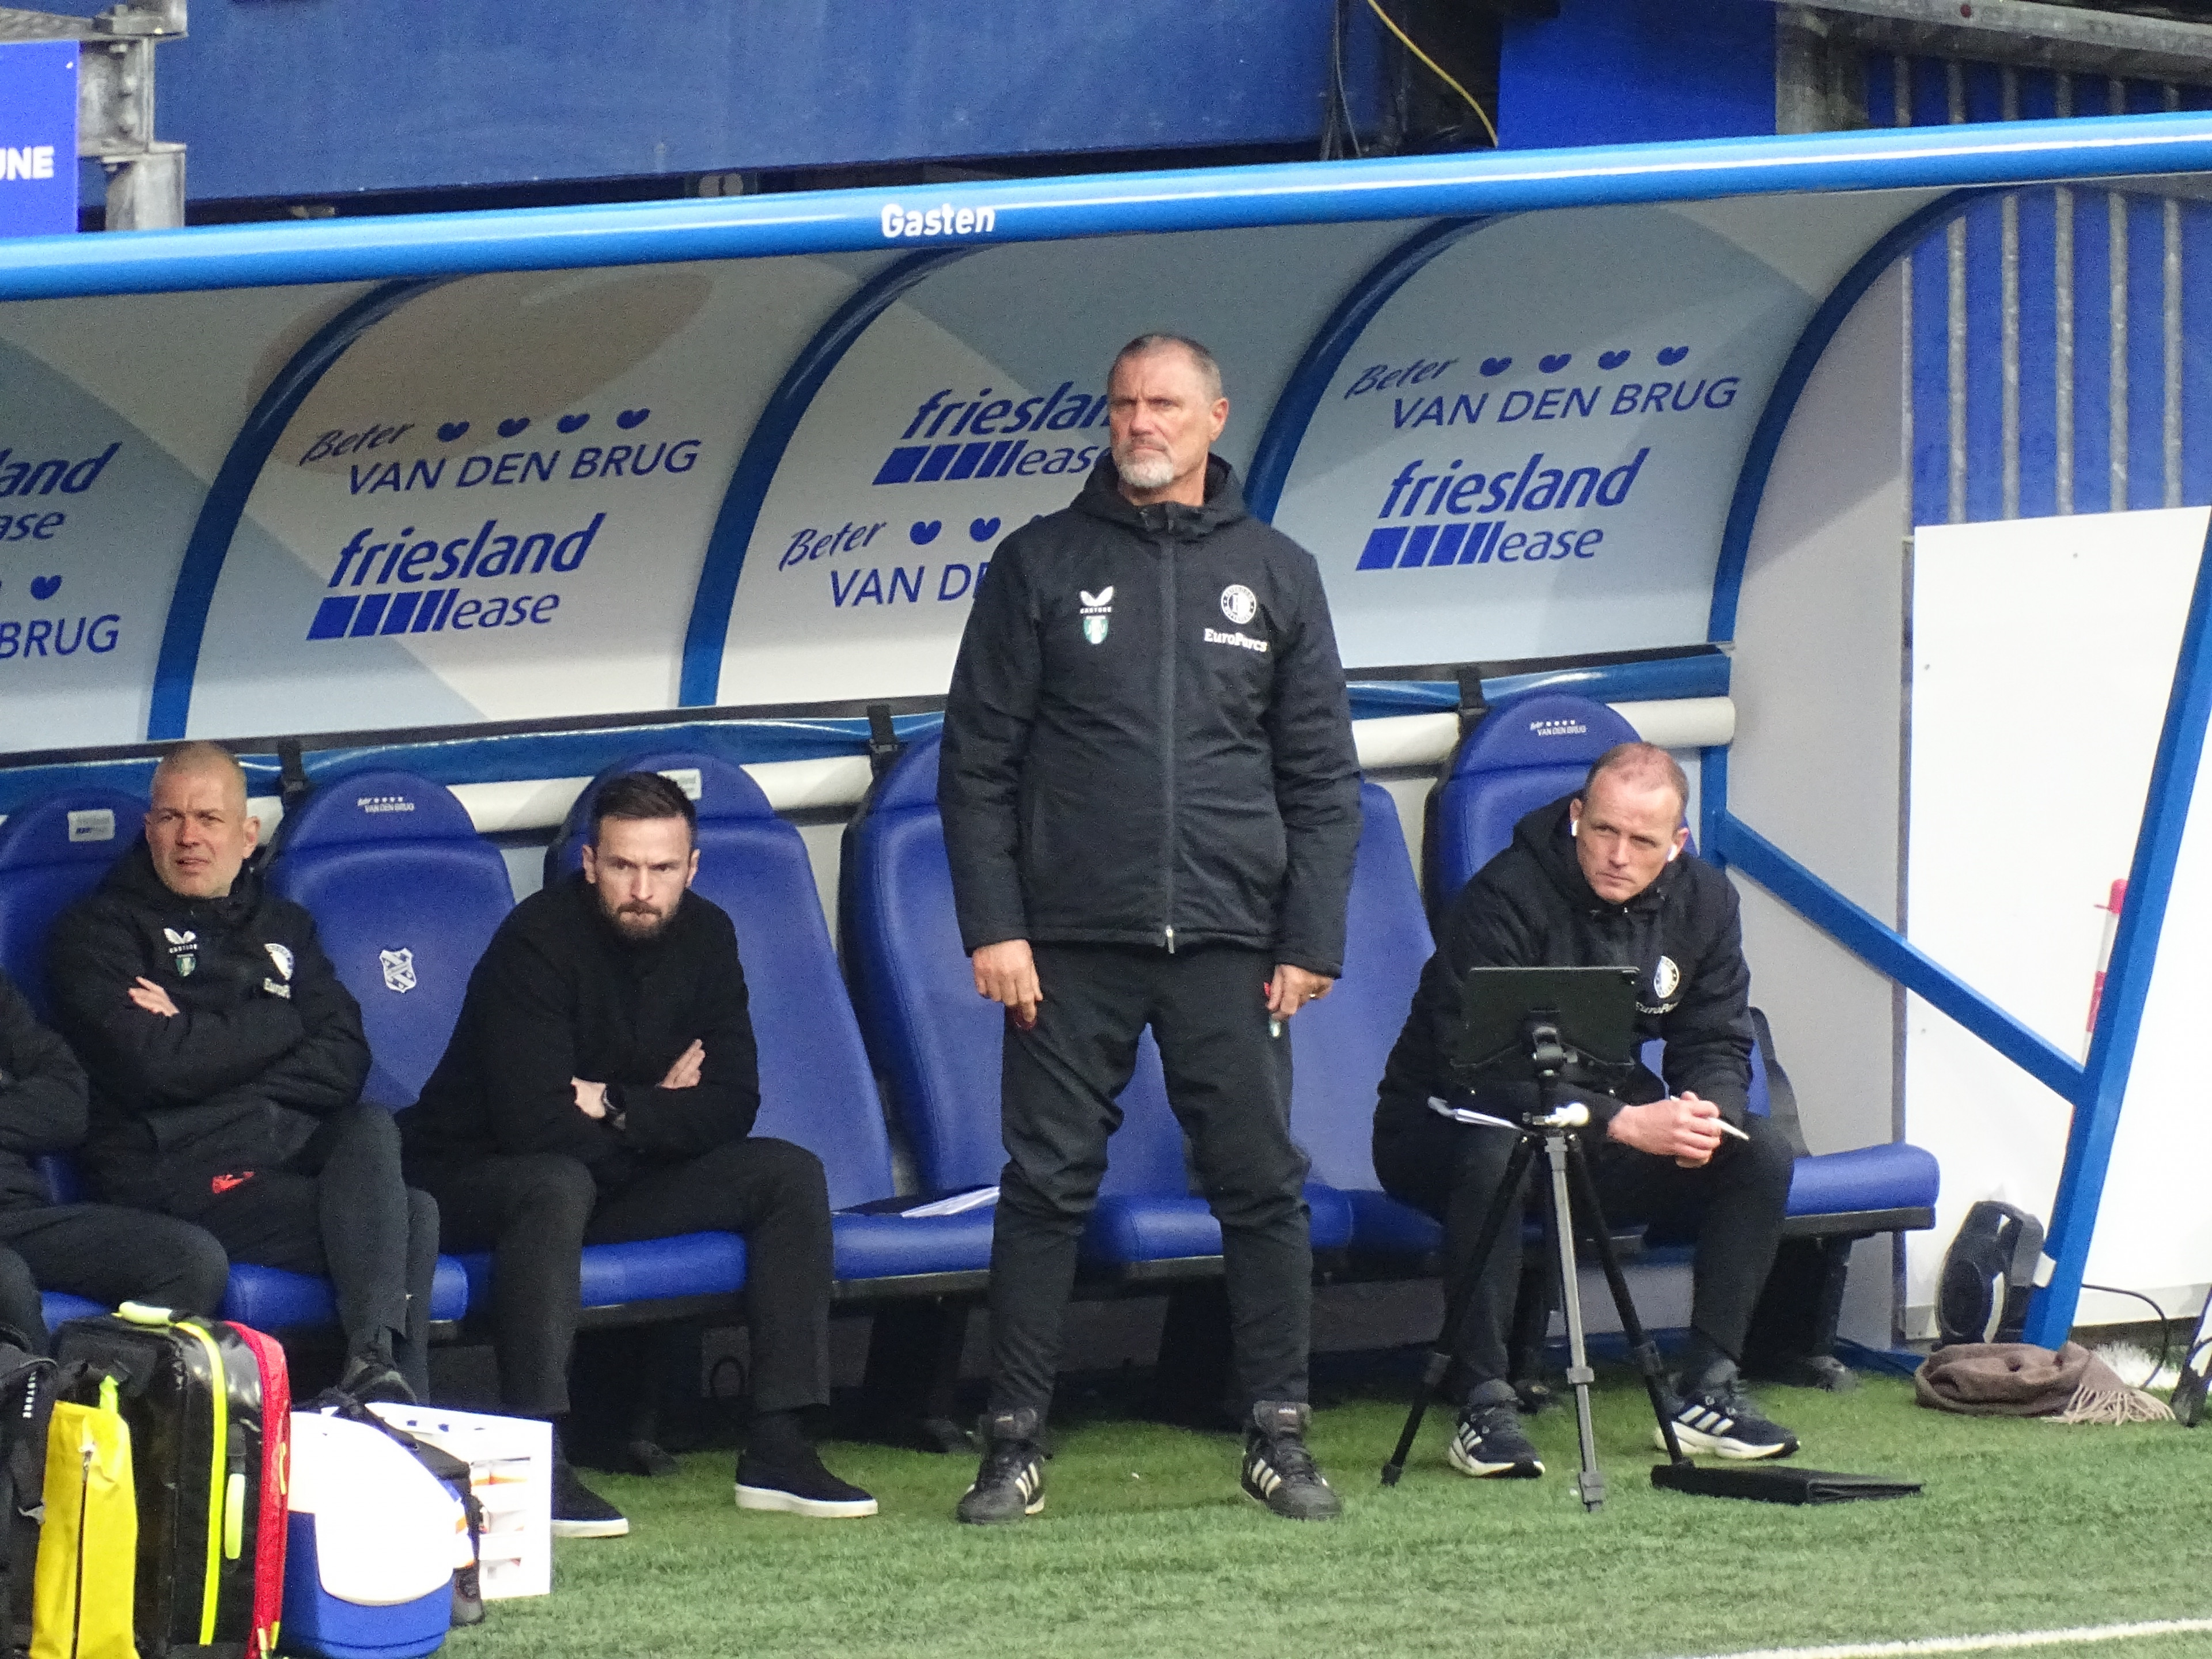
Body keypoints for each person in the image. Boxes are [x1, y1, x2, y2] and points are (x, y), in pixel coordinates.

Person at [938, 333, 1363, 1524]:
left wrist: (1311, 939)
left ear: (1215, 417)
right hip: (1067, 945)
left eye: (1165, 404)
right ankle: (1013, 1443)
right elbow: (976, 766)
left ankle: (1279, 1435)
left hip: (1234, 942)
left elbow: (1323, 778)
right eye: (1125, 403)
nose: (1142, 423)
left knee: (1262, 1189)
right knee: (1044, 1189)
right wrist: (996, 926)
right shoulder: (1038, 562)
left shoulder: (1278, 572)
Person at [400, 771, 874, 1540]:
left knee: (787, 1174)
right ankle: (537, 1460)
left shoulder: (710, 935)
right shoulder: (536, 940)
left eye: (662, 868)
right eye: (623, 866)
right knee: (555, 1185)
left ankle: (779, 1446)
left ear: (692, 868)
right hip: (472, 1178)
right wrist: (661, 1112)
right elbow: (534, 1125)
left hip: (606, 1177)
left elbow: (734, 1102)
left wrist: (617, 1102)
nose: (642, 890)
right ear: (591, 863)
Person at [1372, 741, 1800, 1479]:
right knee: (1498, 1147)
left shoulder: (1706, 901)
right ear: (1577, 816)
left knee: (1756, 1150)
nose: (1618, 856)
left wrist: (1705, 1114)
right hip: (1447, 1124)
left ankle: (1710, 1390)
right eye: (1604, 830)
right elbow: (1481, 1069)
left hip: (1590, 1130)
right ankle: (1483, 1404)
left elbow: (1716, 1038)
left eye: (1643, 841)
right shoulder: (1504, 896)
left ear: (1678, 843)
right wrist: (1625, 1123)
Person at [47, 741, 438, 1401]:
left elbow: (344, 1059)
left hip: (275, 1151)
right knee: (410, 1219)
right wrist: (280, 1019)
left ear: (247, 834)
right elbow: (155, 1068)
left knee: (371, 1129)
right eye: (171, 818)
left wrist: (199, 1035)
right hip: (169, 1169)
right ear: (149, 829)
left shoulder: (286, 926)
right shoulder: (96, 932)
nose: (189, 838)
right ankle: (389, 1399)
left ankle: (375, 1374)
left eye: (208, 818)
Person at [0, 966, 230, 1349]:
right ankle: (39, 1386)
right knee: (6, 1280)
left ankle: (90, 1378)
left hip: (18, 1215)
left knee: (190, 1259)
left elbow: (67, 1106)